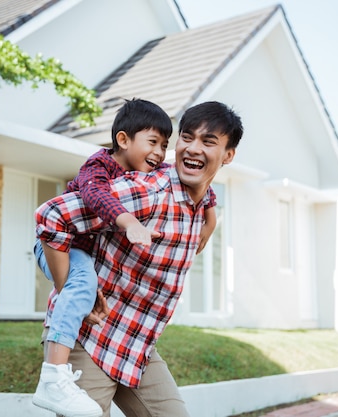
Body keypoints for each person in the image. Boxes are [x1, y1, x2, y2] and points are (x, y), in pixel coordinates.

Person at [35, 101, 243, 417]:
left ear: (228, 155)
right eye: (187, 138)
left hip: (137, 344)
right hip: (90, 338)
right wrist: (69, 289)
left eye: (208, 141)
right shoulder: (149, 190)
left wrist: (211, 223)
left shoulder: (200, 203)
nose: (193, 148)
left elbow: (206, 192)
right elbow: (52, 216)